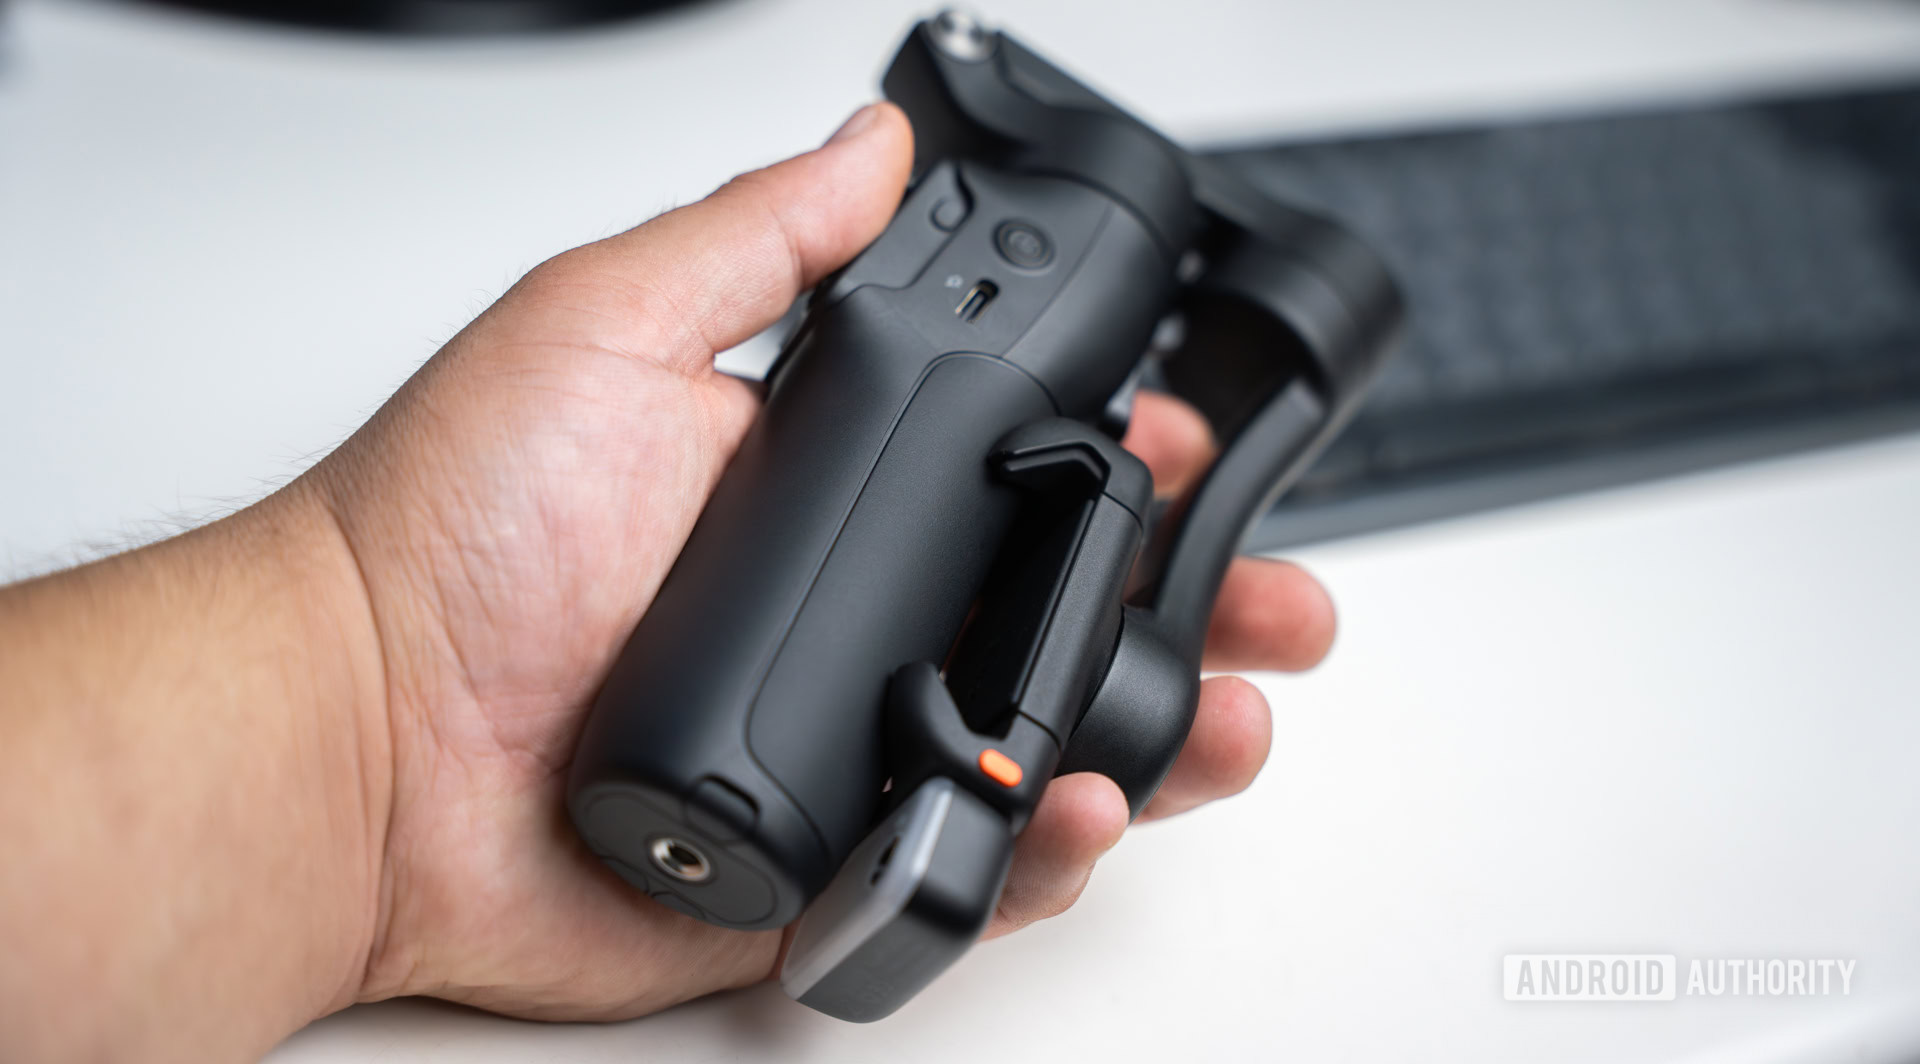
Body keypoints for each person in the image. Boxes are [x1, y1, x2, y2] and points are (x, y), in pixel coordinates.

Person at [0, 103, 1336, 1062]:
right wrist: (378, 695)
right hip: (726, 785)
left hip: (679, 761)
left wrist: (370, 742)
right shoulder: (986, 368)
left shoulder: (965, 362)